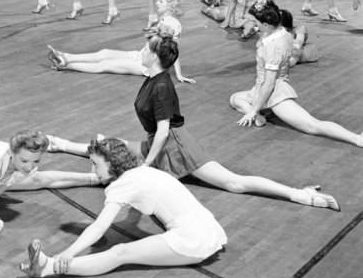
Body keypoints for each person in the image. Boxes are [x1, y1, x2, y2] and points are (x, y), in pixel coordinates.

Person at [121, 32, 340, 209]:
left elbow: (163, 131)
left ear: (154, 57)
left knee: (233, 183)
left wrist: (147, 164)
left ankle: (298, 194)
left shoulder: (161, 86)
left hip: (177, 145)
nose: (141, 50)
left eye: (145, 48)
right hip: (164, 142)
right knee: (115, 151)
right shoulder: (154, 78)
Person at [20, 137, 226, 278]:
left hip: (193, 241)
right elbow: (137, 210)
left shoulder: (123, 184)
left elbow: (99, 227)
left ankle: (49, 267)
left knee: (120, 252)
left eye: (95, 164)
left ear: (112, 163)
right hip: (209, 228)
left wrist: (69, 252)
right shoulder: (142, 171)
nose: (93, 170)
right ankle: (46, 266)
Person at [229, 0, 362, 146]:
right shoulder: (279, 32)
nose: (254, 24)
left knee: (313, 125)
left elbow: (270, 83)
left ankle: (356, 139)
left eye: (256, 22)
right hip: (261, 86)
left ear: (266, 25)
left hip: (275, 93)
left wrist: (253, 110)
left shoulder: (274, 47)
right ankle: (261, 114)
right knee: (235, 98)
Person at [47, 0, 194, 83]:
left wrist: (179, 74)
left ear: (169, 6)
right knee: (104, 53)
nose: (156, 3)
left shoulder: (173, 25)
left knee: (104, 65)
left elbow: (174, 52)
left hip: (147, 66)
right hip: (141, 55)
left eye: (160, 1)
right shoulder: (162, 19)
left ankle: (67, 64)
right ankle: (65, 56)